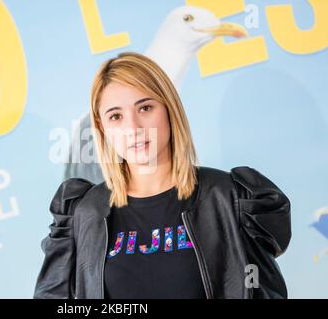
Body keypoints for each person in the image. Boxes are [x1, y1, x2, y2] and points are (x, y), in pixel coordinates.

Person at [34, 52, 291, 299]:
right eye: (116, 116)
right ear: (102, 128)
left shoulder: (231, 198)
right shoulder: (81, 214)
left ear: (168, 108)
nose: (132, 128)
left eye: (145, 108)